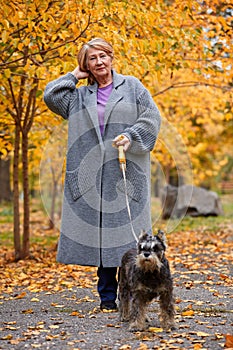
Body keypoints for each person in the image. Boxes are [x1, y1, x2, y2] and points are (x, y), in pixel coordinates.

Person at [44, 38, 161, 311]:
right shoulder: (78, 97)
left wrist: (131, 136)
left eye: (102, 56)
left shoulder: (132, 86)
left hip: (126, 173)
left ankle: (129, 296)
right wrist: (74, 75)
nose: (99, 62)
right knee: (101, 241)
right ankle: (107, 298)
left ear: (111, 58)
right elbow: (51, 95)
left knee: (127, 239)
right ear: (86, 65)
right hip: (92, 177)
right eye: (92, 59)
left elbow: (152, 117)